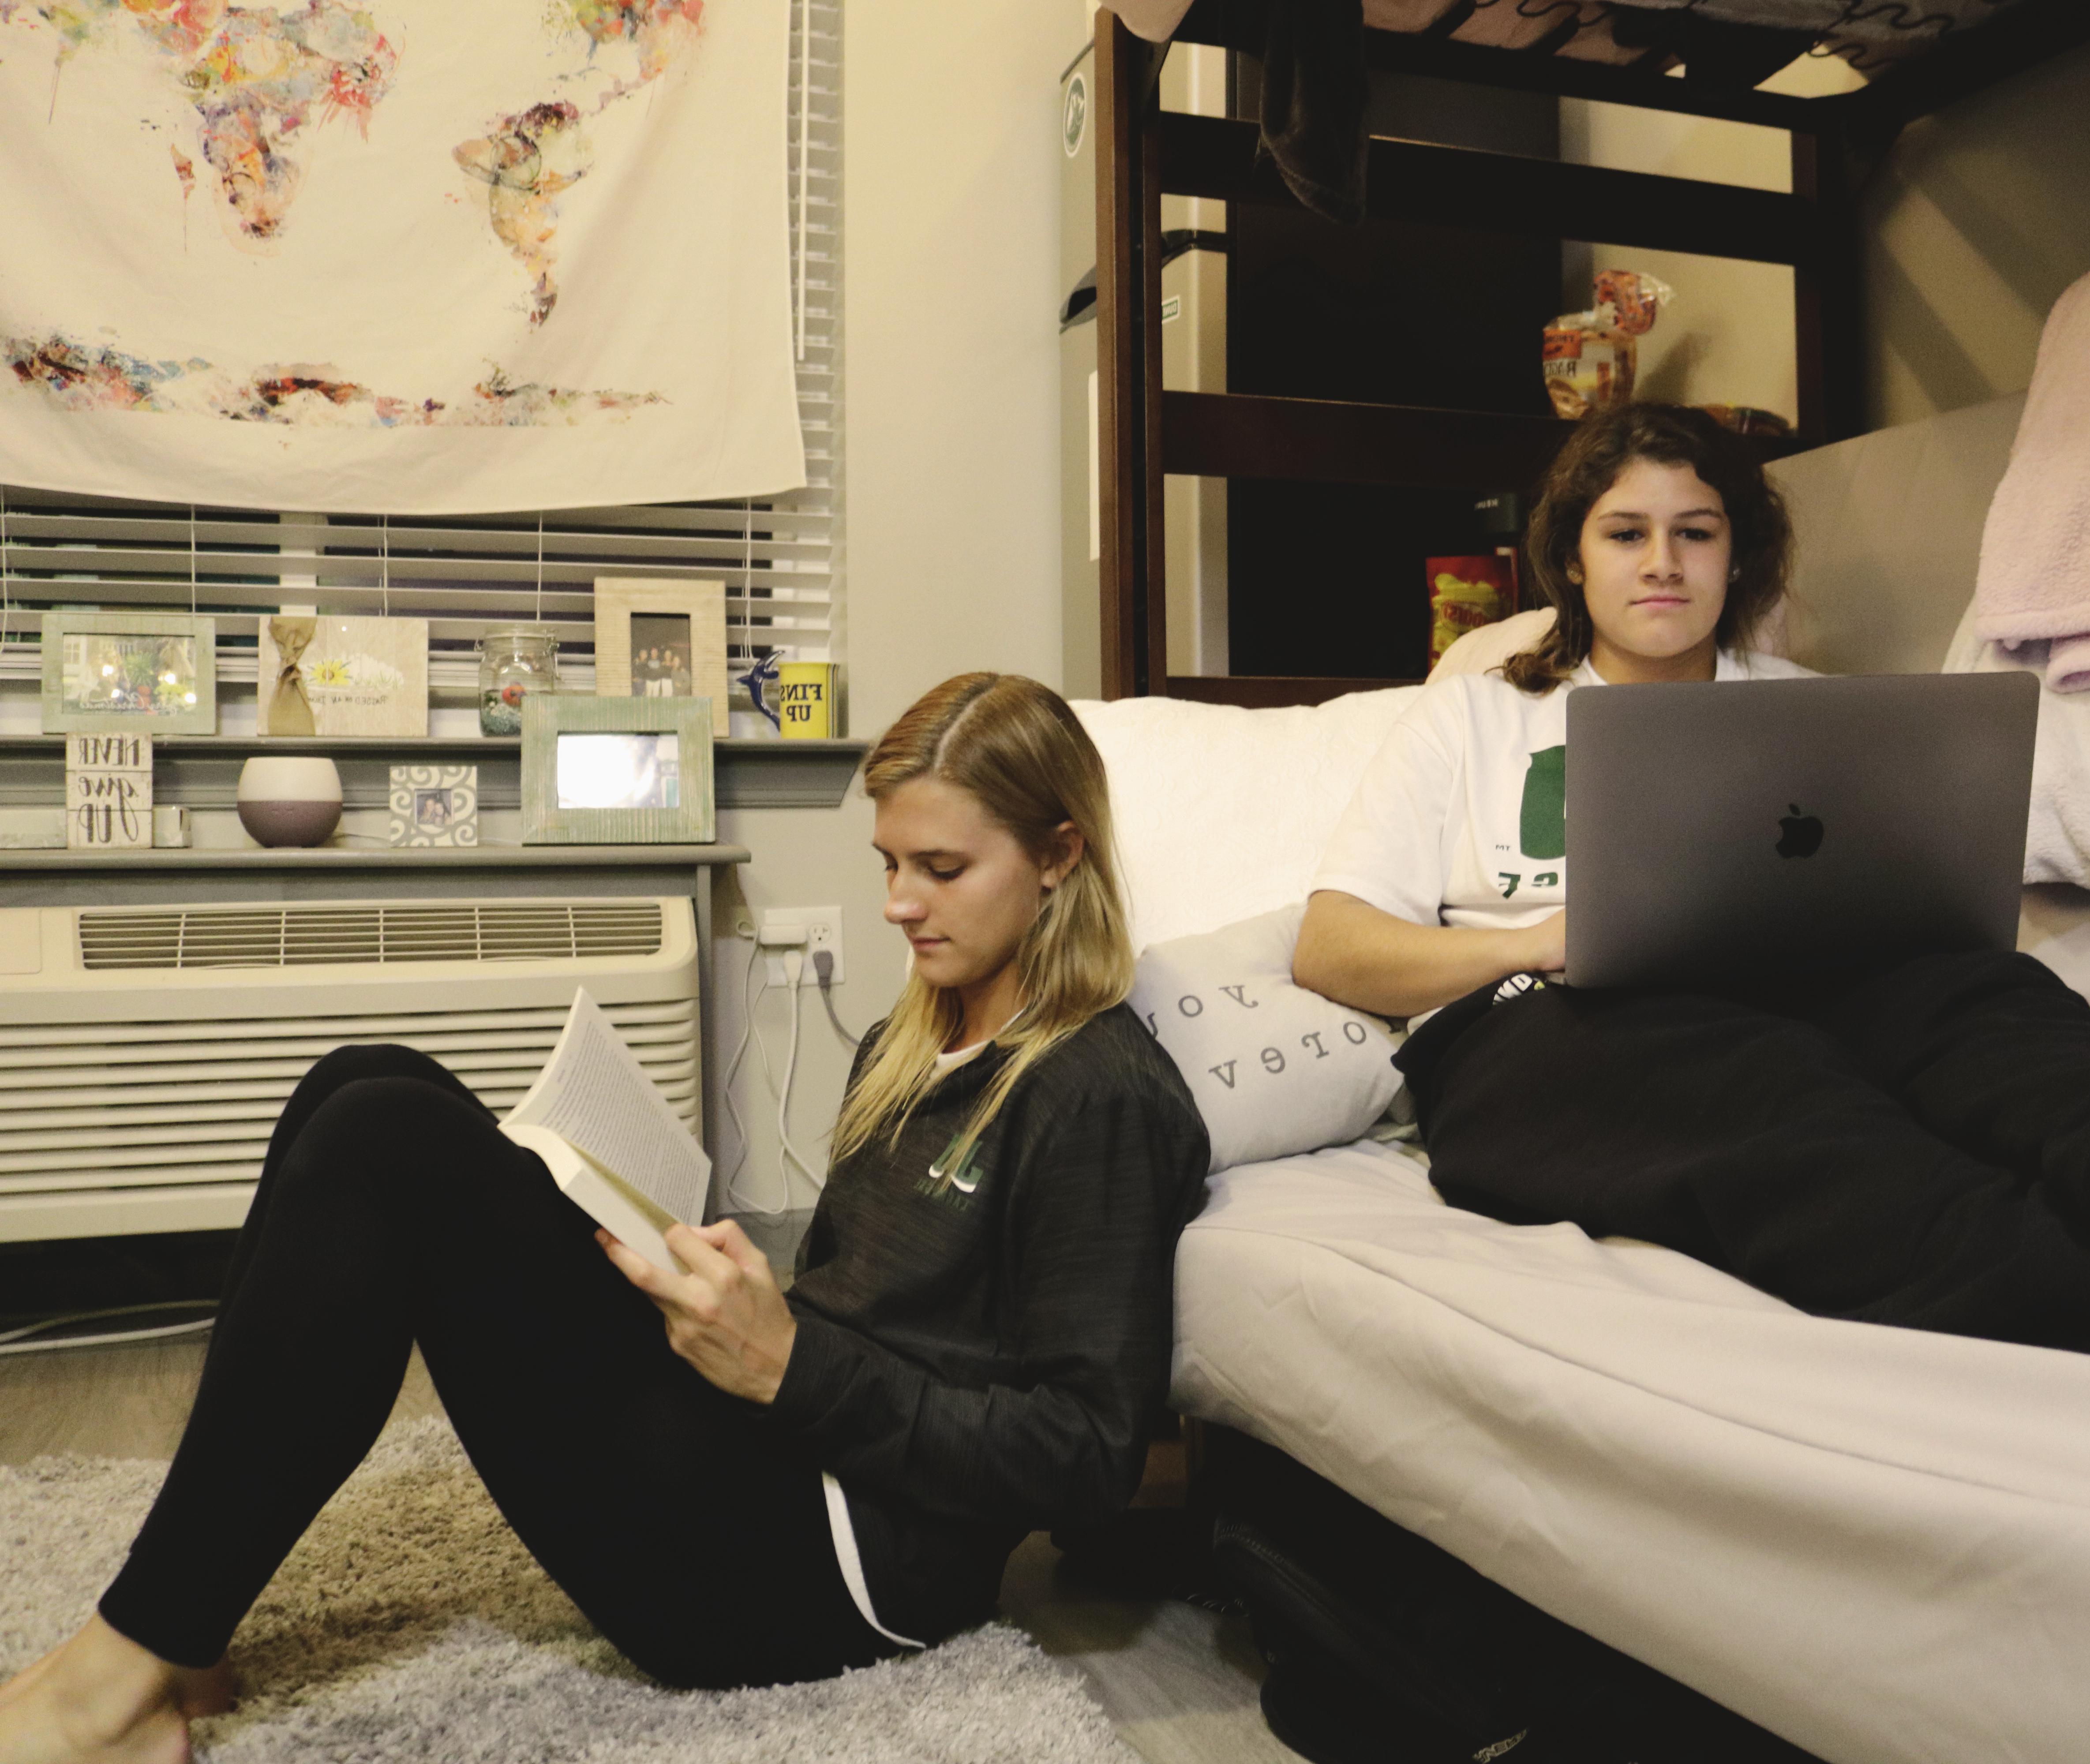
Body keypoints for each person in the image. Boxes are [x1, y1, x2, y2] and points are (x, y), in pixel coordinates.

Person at [0, 672, 1210, 1764]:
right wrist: (734, 1306)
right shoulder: (918, 1035)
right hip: (783, 1447)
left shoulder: (1097, 1093)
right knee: (366, 1079)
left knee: (386, 1145)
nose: (899, 904)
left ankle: (112, 1696)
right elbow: (880, 1313)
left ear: (1058, 856)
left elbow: (1091, 1457)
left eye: (941, 870)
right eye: (889, 862)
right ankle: (182, 1636)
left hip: (835, 1577)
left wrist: (792, 1366)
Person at [1294, 400, 2090, 1389]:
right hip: (1541, 1026)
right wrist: (1540, 939)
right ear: (1569, 562)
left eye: (1697, 533)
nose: (1663, 563)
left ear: (1735, 555)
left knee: (1971, 996)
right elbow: (1334, 947)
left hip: (1804, 977)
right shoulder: (1471, 719)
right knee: (1781, 1107)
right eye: (1625, 533)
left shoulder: (1812, 717)